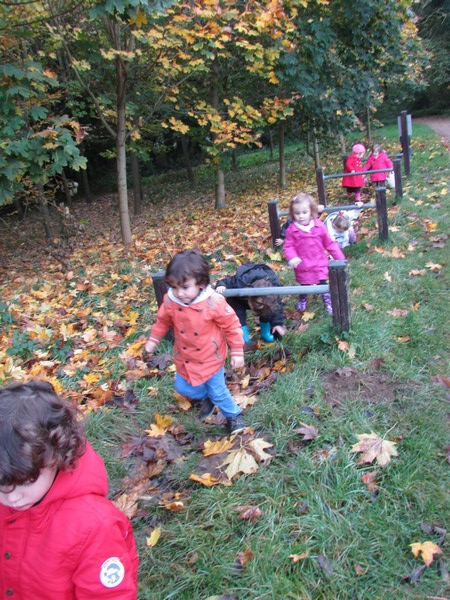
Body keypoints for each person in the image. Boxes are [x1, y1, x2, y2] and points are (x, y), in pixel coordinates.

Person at [0, 380, 139, 600]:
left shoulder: (94, 526)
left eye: (26, 482)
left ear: (56, 456)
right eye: (2, 486)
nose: (11, 497)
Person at [145, 249, 246, 434]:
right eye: (174, 287)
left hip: (210, 357)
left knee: (219, 392)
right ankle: (206, 398)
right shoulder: (171, 301)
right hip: (185, 357)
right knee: (183, 387)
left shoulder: (213, 302)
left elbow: (232, 326)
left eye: (185, 287)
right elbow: (163, 321)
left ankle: (234, 416)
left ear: (200, 283)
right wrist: (153, 340)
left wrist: (237, 351)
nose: (179, 292)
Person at [283, 193, 345, 315]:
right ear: (292, 213)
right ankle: (302, 299)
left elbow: (329, 243)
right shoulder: (292, 229)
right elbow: (288, 246)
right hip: (303, 264)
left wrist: (340, 258)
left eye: (304, 212)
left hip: (319, 262)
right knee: (304, 283)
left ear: (311, 211)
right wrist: (293, 257)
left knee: (323, 283)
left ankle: (328, 302)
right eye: (297, 213)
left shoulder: (318, 226)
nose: (301, 216)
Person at [215, 263, 287, 343]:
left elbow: (277, 306)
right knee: (238, 316)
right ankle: (244, 336)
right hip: (238, 299)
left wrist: (277, 323)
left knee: (268, 311)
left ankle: (265, 333)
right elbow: (225, 281)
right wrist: (221, 286)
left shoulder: (273, 288)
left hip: (258, 299)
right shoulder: (239, 282)